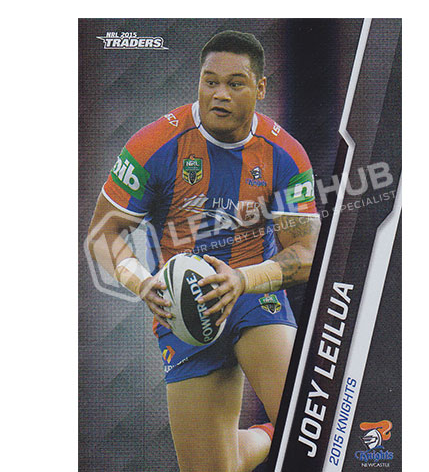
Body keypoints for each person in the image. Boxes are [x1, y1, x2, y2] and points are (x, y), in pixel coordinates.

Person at [87, 30, 320, 472]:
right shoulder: (155, 145)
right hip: (182, 307)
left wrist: (242, 280)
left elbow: (306, 253)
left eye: (235, 83)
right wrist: (142, 283)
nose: (219, 94)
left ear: (260, 88)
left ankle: (283, 430)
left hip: (254, 298)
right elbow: (103, 234)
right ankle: (267, 437)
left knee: (310, 426)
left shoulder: (285, 154)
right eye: (210, 81)